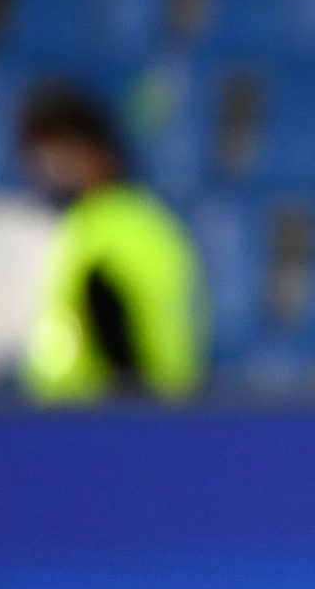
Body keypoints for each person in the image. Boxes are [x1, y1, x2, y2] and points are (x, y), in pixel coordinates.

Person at [16, 82, 205, 404]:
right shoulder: (144, 221)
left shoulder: (107, 228)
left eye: (61, 153)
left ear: (99, 151)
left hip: (104, 420)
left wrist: (124, 410)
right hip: (139, 415)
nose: (49, 169)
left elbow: (118, 336)